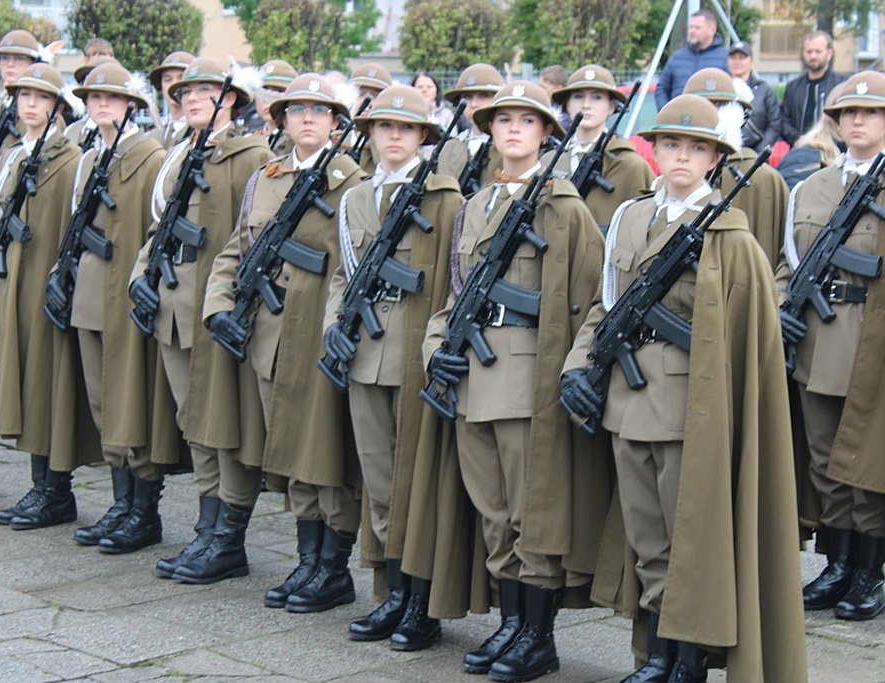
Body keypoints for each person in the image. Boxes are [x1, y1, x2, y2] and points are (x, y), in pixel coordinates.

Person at [561, 94, 807, 681]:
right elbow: (604, 305)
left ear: (714, 159)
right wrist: (576, 365)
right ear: (654, 149)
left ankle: (686, 660)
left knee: (688, 540)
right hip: (626, 402)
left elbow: (744, 335)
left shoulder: (730, 236)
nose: (681, 157)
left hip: (689, 409)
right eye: (670, 144)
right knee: (648, 540)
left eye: (696, 148)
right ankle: (657, 653)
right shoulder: (630, 218)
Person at [423, 80, 611, 681]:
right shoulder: (474, 206)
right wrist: (434, 352)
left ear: (546, 133)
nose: (512, 130)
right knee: (494, 512)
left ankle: (537, 635)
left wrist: (574, 372)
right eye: (502, 120)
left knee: (533, 512)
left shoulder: (565, 208)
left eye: (525, 121)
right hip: (473, 378)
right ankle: (510, 623)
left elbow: (591, 301)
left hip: (529, 380)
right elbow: (452, 295)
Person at [204, 73, 365, 614]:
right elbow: (237, 249)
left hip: (318, 335)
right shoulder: (266, 178)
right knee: (292, 452)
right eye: (298, 110)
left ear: (336, 122)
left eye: (320, 111)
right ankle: (307, 560)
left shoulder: (352, 183)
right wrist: (218, 306)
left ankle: (333, 568)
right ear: (283, 120)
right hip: (270, 337)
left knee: (326, 454)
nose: (308, 119)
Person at [321, 84, 463, 649]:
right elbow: (343, 275)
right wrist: (334, 325)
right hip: (364, 356)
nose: (395, 136)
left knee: (416, 486)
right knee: (379, 483)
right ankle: (392, 593)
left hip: (414, 357)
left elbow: (456, 280)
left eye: (406, 127)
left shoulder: (445, 200)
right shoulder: (355, 198)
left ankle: (422, 602)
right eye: (385, 126)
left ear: (424, 135)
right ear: (372, 134)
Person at [127, 56, 274, 583]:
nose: (191, 99)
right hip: (173, 302)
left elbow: (255, 236)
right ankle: (207, 528)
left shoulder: (251, 155)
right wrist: (140, 275)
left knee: (226, 423)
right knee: (195, 422)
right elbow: (161, 226)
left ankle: (229, 536)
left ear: (230, 98)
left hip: (218, 307)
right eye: (184, 92)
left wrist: (232, 303)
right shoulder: (183, 153)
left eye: (204, 90)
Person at [47, 61, 169, 553]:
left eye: (112, 97)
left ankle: (144, 511)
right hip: (90, 291)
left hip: (126, 292)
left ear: (131, 105)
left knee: (130, 399)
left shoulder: (150, 156)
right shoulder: (89, 158)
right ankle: (122, 504)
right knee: (102, 401)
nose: (101, 104)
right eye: (94, 97)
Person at [778, 71, 885, 622]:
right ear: (836, 123)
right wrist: (780, 307)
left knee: (868, 458)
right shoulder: (810, 188)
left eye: (871, 112)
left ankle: (871, 569)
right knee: (824, 458)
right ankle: (838, 563)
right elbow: (786, 263)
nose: (858, 121)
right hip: (818, 339)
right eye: (848, 113)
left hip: (871, 341)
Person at [0, 64, 82, 529]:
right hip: (11, 279)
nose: (30, 105)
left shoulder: (70, 159)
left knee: (45, 381)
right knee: (22, 376)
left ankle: (55, 490)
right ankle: (40, 485)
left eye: (41, 97)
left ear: (58, 106)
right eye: (23, 96)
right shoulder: (16, 154)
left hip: (42, 282)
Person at [683, 67, 789, 265]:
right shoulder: (675, 178)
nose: (712, 114)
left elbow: (779, 254)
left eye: (720, 106)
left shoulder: (765, 179)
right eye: (703, 106)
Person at [547, 64, 655, 232]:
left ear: (611, 107)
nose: (586, 105)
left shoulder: (631, 165)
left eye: (597, 97)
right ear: (567, 104)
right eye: (578, 96)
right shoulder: (549, 161)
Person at [436, 63, 505, 195]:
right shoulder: (449, 148)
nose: (474, 104)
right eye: (467, 97)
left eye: (484, 95)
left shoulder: (510, 146)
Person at [0, 30, 46, 151]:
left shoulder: (44, 107)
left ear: (34, 63)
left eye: (20, 58)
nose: (10, 64)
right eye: (4, 58)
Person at [781, 30, 847, 146]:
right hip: (800, 149)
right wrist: (796, 138)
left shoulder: (842, 85)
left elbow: (846, 119)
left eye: (818, 51)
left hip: (833, 150)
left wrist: (825, 140)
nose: (813, 56)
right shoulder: (793, 87)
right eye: (809, 51)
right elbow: (783, 120)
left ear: (829, 54)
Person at [655, 9, 729, 109]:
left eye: (697, 27)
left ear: (712, 30)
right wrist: (667, 111)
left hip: (711, 117)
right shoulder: (677, 58)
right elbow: (662, 89)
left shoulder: (726, 58)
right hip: (678, 116)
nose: (692, 31)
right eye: (691, 27)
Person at [726, 40, 781, 150]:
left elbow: (775, 125)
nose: (737, 62)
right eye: (733, 58)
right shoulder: (722, 88)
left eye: (742, 57)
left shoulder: (764, 89)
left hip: (755, 153)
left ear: (752, 62)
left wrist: (759, 152)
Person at [249, 59, 297, 156]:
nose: (267, 100)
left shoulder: (299, 143)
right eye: (264, 91)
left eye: (279, 91)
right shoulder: (249, 139)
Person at [147, 51, 194, 151]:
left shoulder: (200, 132)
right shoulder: (152, 135)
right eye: (168, 79)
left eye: (181, 78)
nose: (174, 84)